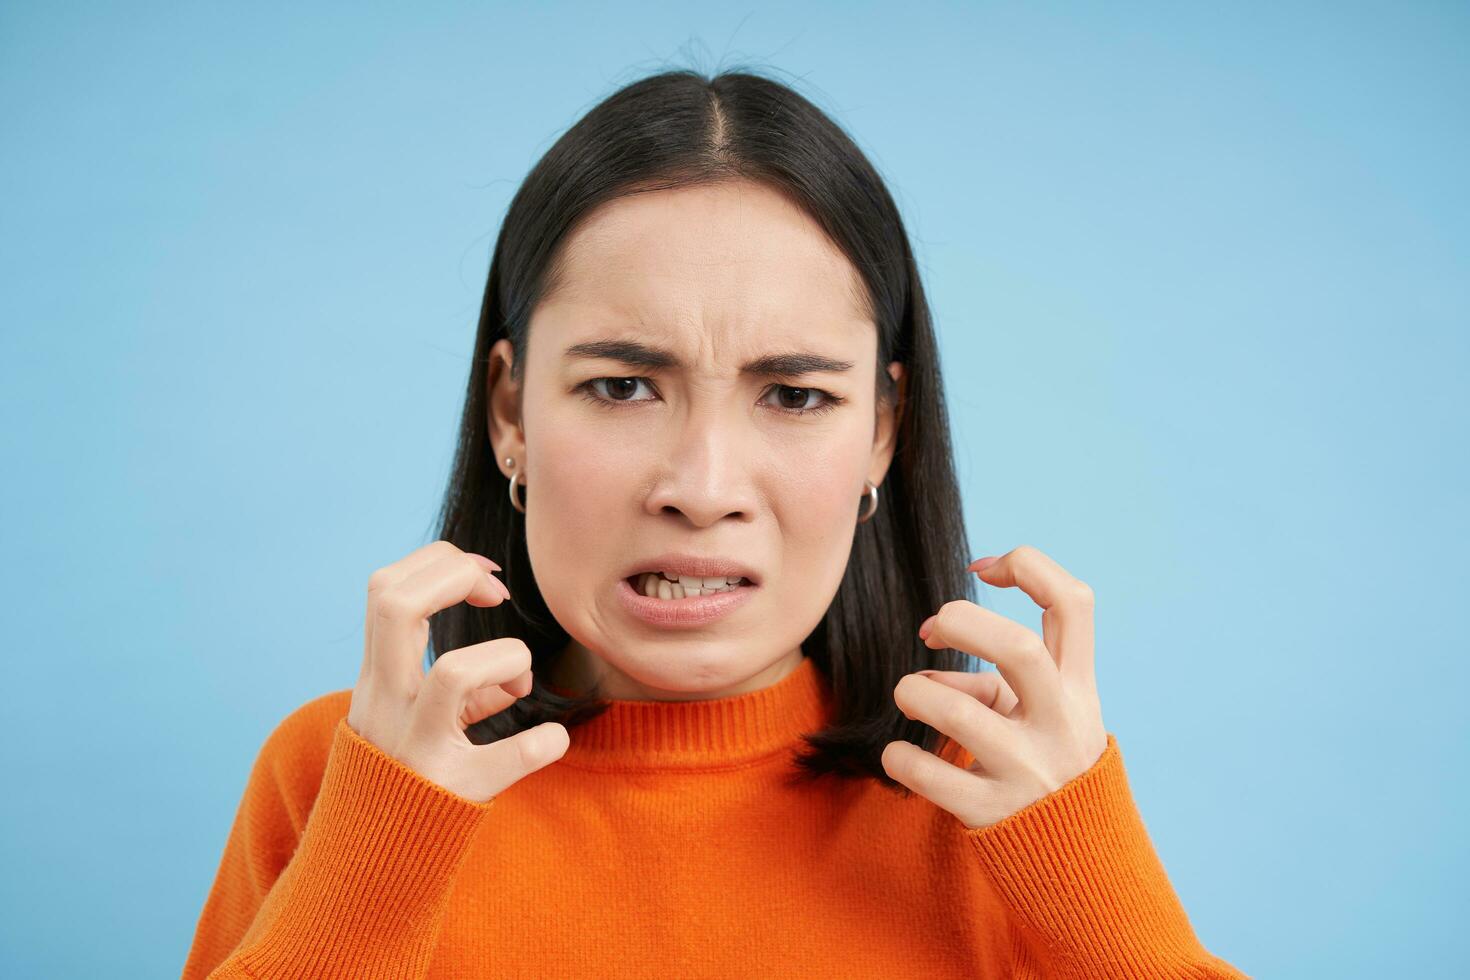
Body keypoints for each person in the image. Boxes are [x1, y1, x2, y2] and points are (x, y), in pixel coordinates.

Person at [182, 68, 1250, 979]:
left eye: (793, 396)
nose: (701, 484)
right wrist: (376, 859)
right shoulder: (341, 774)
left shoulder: (1004, 795)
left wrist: (1088, 877)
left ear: (885, 431)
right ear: (510, 411)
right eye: (620, 386)